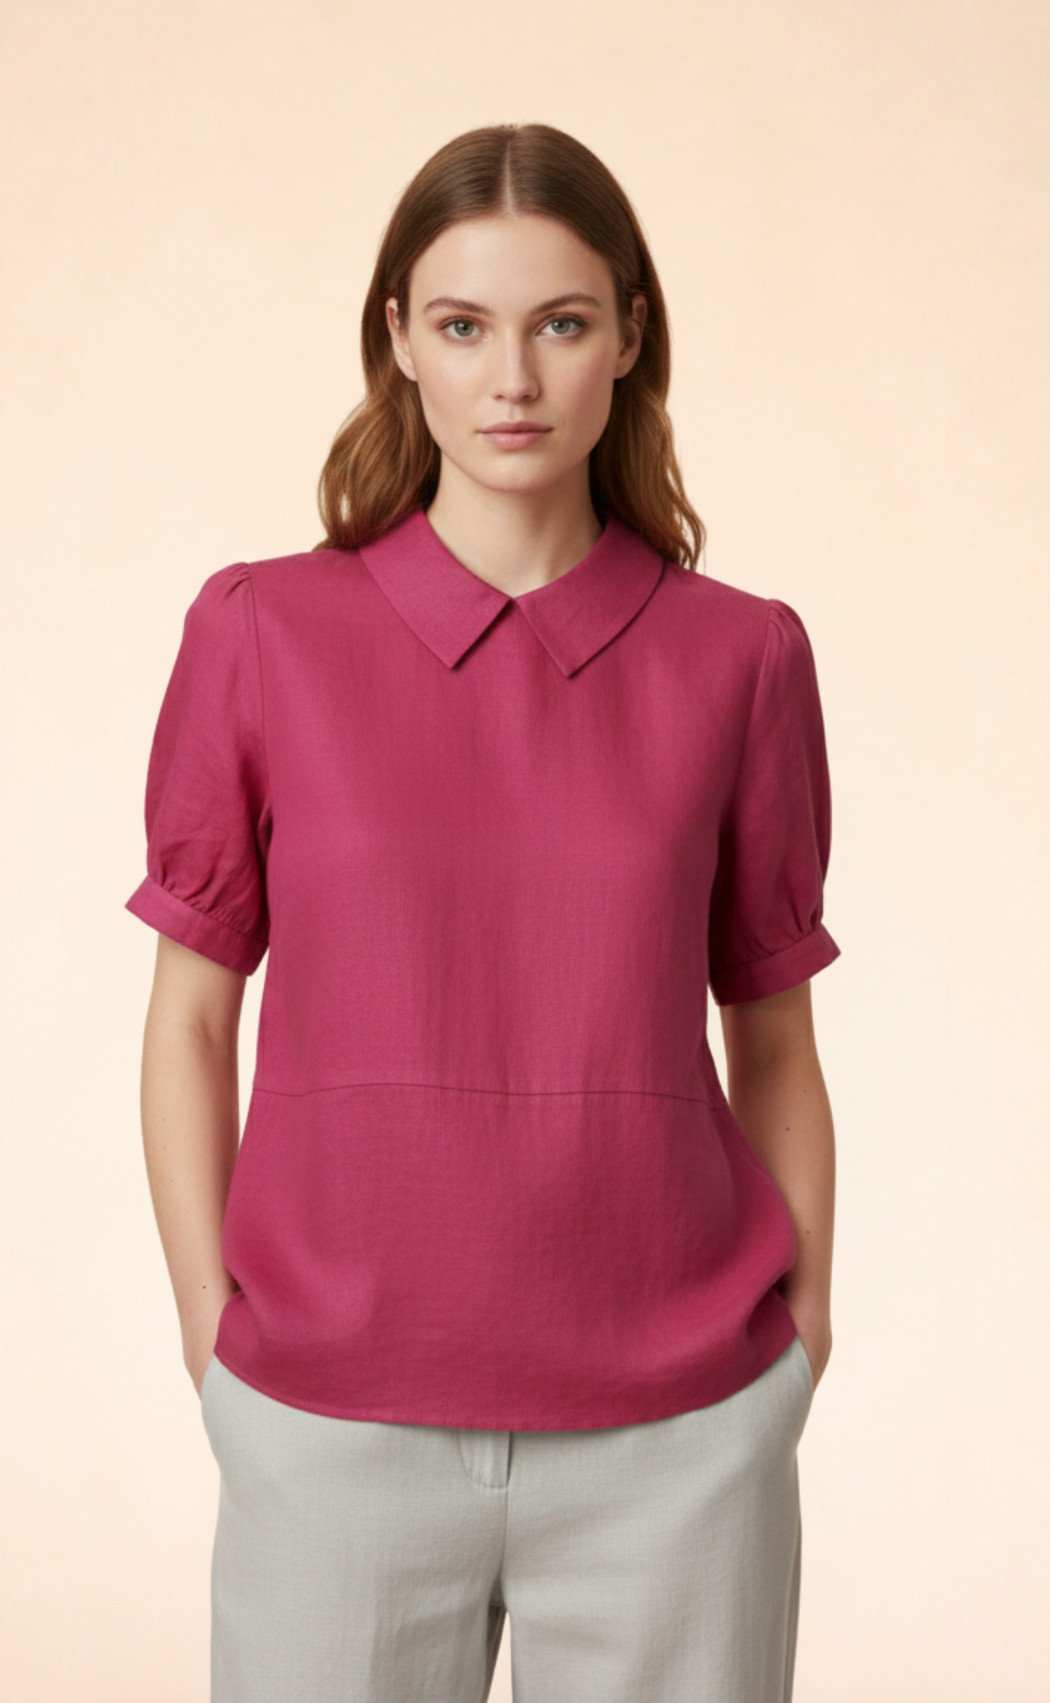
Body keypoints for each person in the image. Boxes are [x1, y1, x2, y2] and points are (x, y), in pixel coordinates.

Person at [129, 122, 839, 1703]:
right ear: (398, 339)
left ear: (630, 337)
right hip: (331, 1423)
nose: (512, 378)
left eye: (560, 323)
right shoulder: (261, 633)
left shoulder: (742, 659)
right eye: (464, 326)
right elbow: (188, 1025)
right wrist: (211, 1339)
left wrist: (799, 1343)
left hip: (680, 1438)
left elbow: (777, 1037)